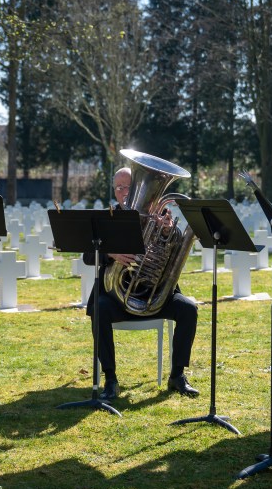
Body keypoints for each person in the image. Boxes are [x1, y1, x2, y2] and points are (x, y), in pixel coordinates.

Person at [83, 167, 200, 400]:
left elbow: (175, 250)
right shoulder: (109, 217)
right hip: (117, 296)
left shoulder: (161, 214)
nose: (124, 192)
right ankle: (111, 379)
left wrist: (167, 231)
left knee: (188, 309)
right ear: (114, 192)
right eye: (119, 187)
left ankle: (177, 375)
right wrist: (111, 254)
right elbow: (88, 256)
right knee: (99, 310)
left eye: (129, 186)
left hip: (156, 295)